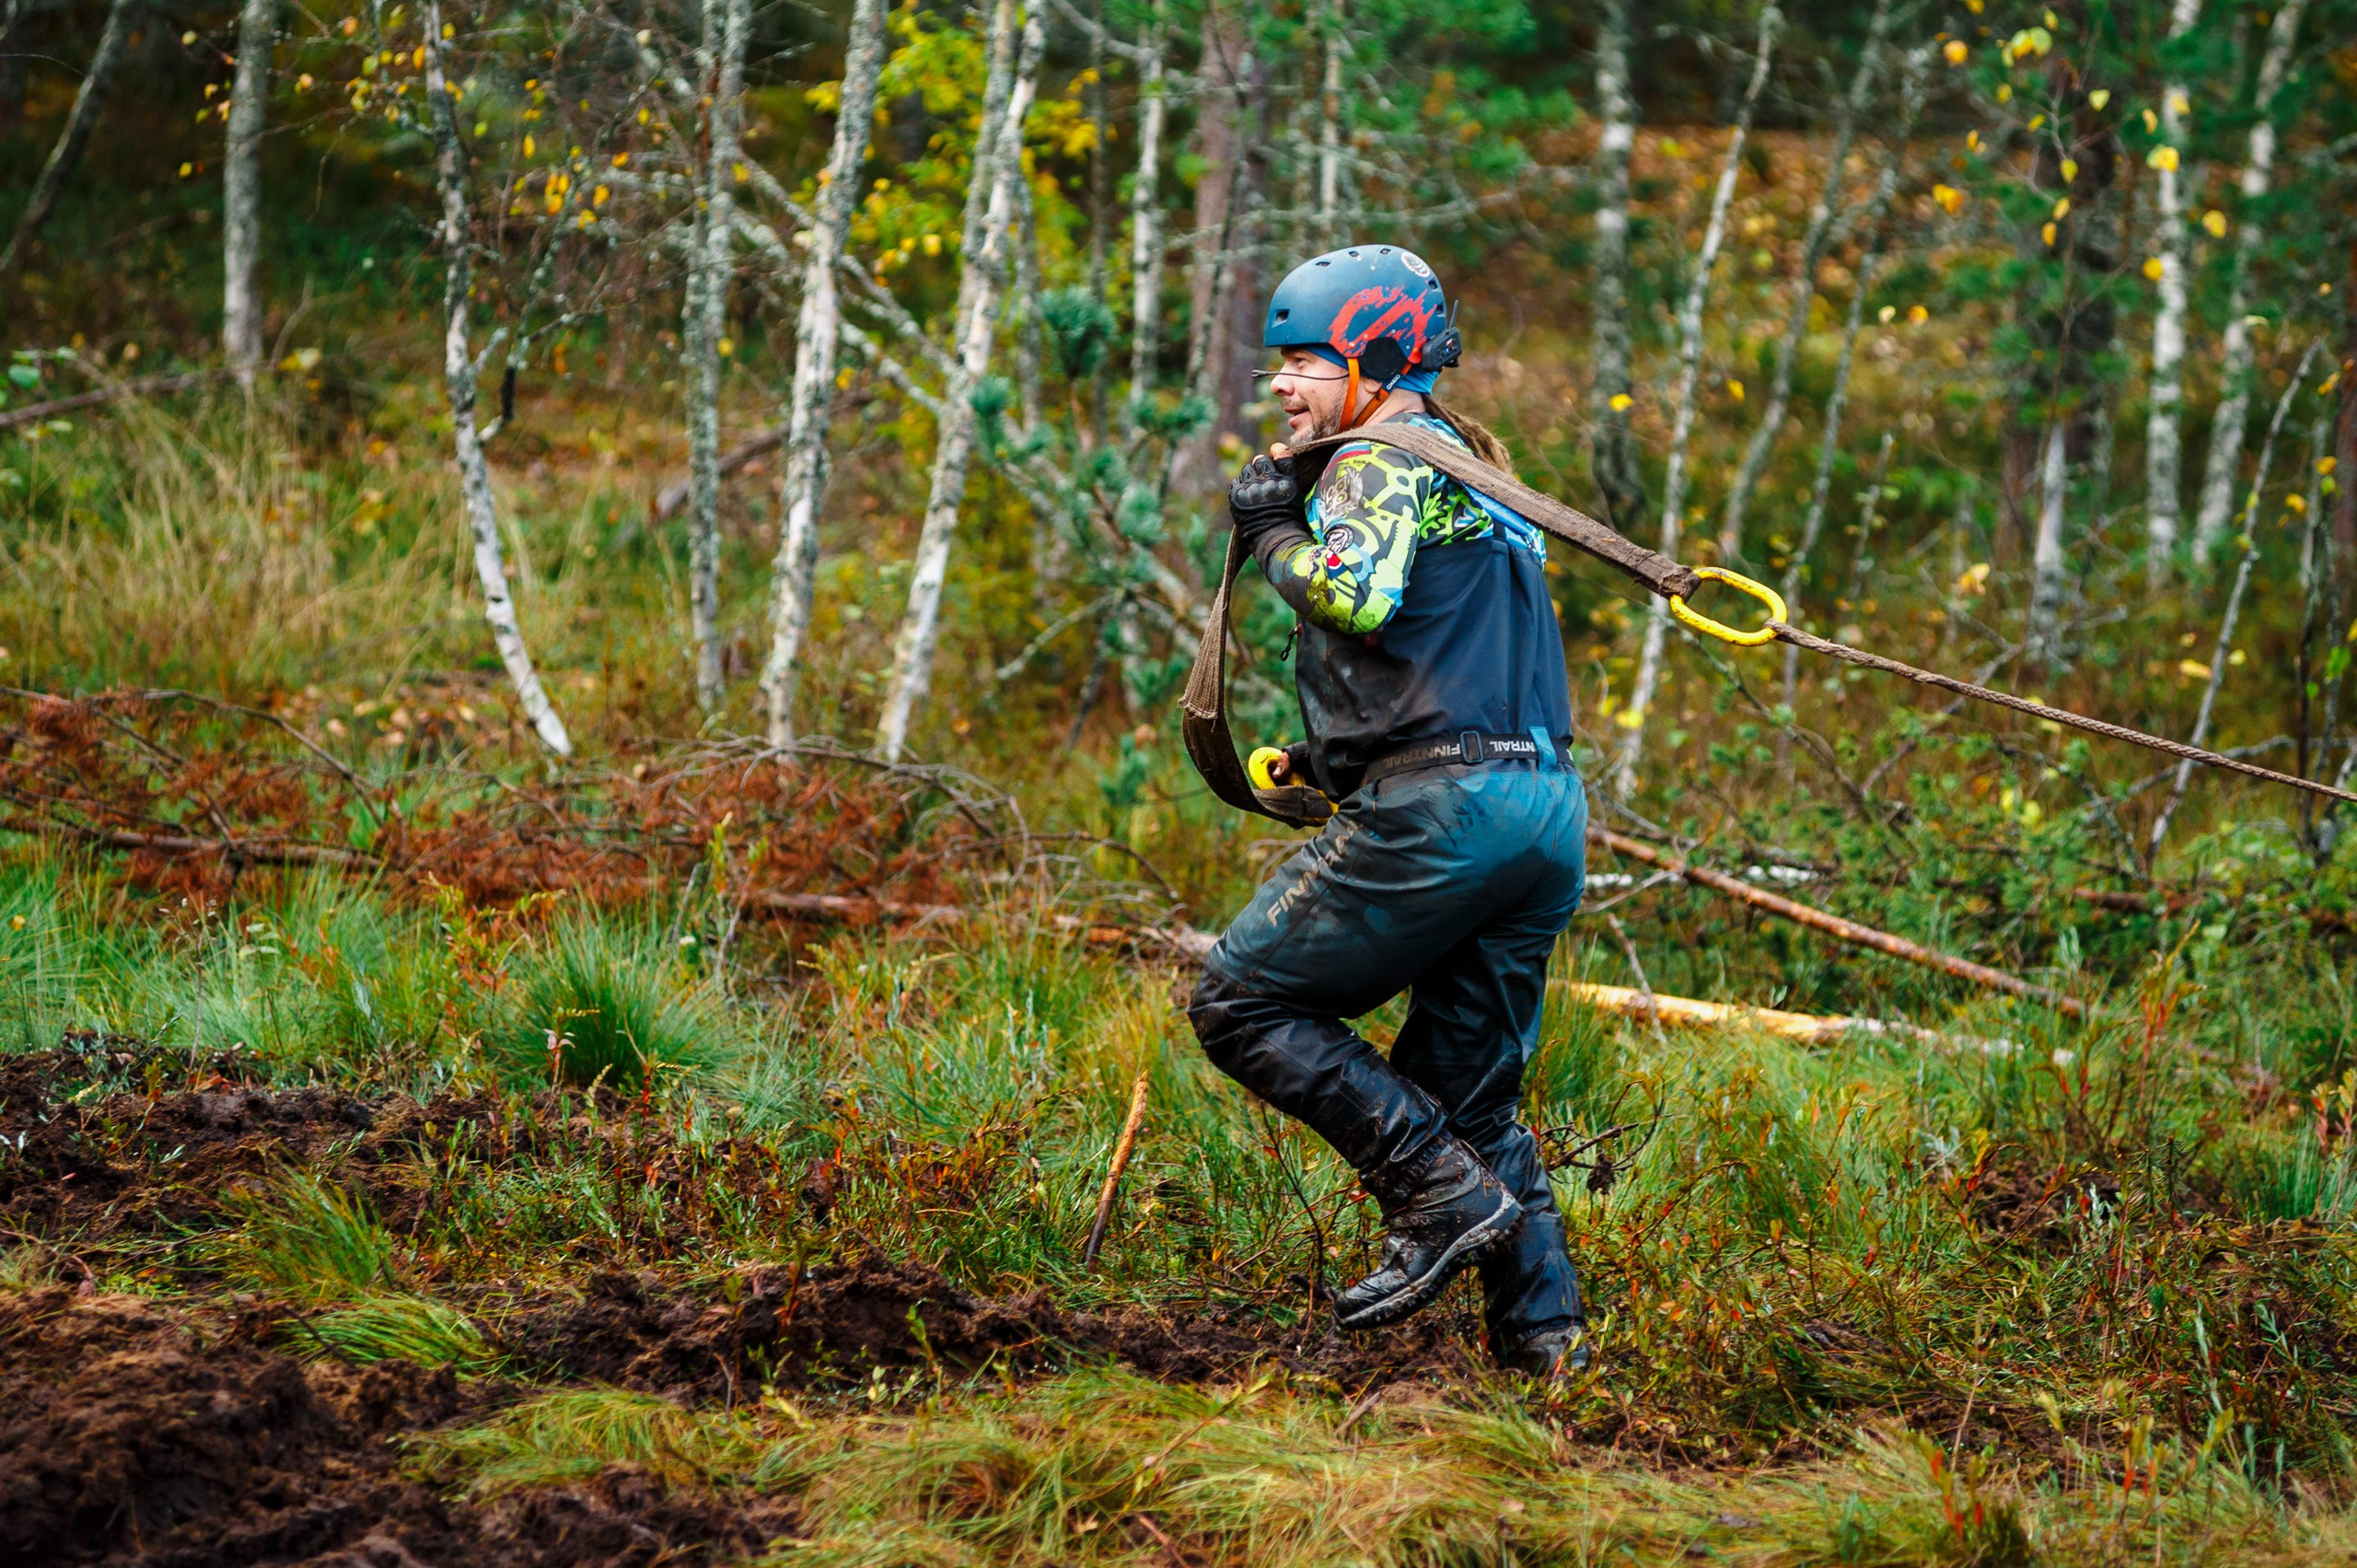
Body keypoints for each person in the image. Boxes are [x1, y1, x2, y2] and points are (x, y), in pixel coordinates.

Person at [1186, 244, 1591, 1376]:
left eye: (1306, 361)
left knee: (1239, 1001)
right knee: (1474, 1095)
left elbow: (1354, 593)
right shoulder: (1472, 468)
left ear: (1374, 360)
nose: (1280, 386)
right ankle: (1545, 1350)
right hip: (1542, 810)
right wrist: (1334, 759)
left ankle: (1436, 1195)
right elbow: (1451, 648)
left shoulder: (1375, 453)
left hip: (1448, 813)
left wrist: (1272, 530)